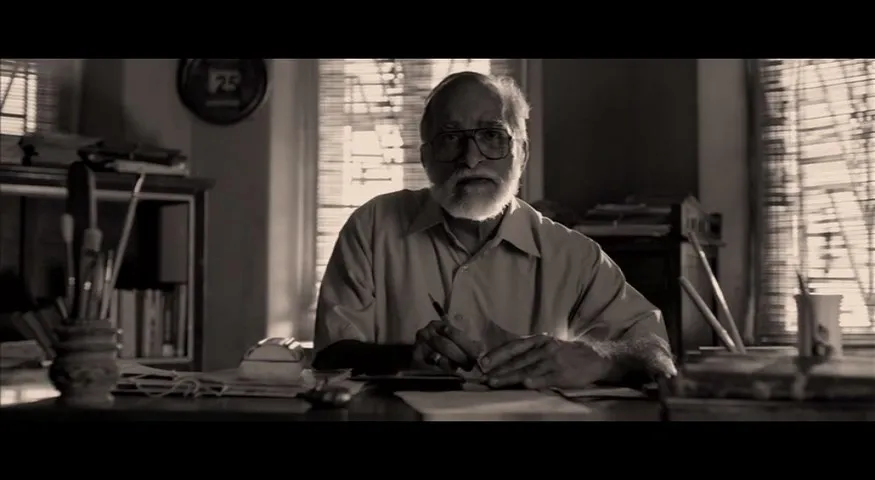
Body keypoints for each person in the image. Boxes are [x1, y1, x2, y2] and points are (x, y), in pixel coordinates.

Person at [312, 71, 676, 389]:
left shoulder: (574, 255)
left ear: (523, 154)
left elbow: (657, 354)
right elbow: (329, 355)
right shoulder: (373, 226)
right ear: (425, 159)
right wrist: (406, 357)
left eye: (492, 135)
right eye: (450, 138)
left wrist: (601, 358)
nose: (471, 158)